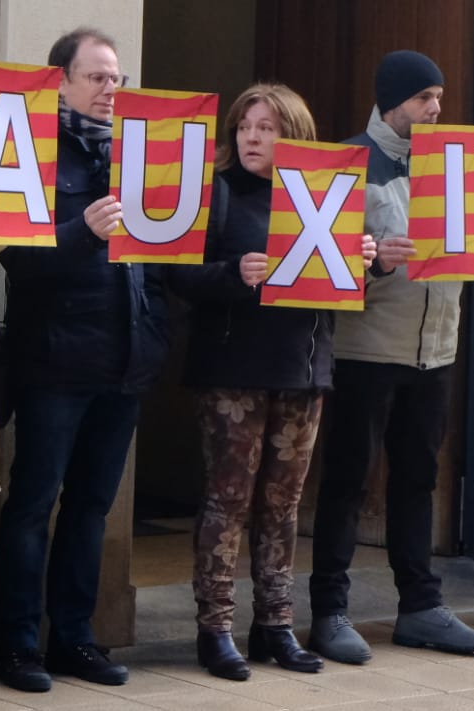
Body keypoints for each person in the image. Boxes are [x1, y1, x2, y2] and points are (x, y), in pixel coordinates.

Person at [164, 83, 371, 681]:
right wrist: (234, 273)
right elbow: (176, 274)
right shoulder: (216, 193)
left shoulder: (326, 195)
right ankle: (215, 629)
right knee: (227, 500)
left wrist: (366, 261)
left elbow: (344, 285)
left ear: (294, 135)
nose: (252, 137)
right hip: (232, 370)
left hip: (302, 369)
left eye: (267, 128)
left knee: (283, 504)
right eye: (245, 127)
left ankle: (275, 625)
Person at [0, 28, 169, 694]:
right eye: (96, 77)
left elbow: (162, 255)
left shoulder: (141, 153)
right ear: (59, 81)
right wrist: (81, 231)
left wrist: (155, 328)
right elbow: (14, 257)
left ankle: (74, 637)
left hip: (125, 362)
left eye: (116, 78)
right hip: (55, 362)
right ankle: (17, 645)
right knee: (33, 505)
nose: (110, 90)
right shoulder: (28, 148)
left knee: (92, 507)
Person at [309, 50, 474, 663]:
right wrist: (375, 262)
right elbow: (315, 268)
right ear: (393, 101)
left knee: (418, 481)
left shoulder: (456, 169)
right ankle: (329, 611)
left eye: (439, 97)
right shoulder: (346, 164)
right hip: (366, 350)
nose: (436, 108)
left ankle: (420, 607)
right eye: (424, 98)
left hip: (435, 352)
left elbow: (462, 259)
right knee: (347, 482)